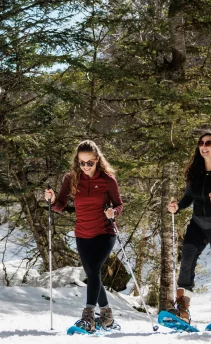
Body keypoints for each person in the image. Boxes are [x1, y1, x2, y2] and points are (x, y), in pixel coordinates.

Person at [44, 140, 123, 332]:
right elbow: (60, 205)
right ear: (77, 162)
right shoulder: (71, 179)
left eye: (90, 162)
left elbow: (119, 204)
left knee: (94, 270)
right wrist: (52, 199)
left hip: (105, 232)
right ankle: (107, 317)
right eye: (82, 162)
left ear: (97, 160)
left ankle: (88, 317)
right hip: (82, 234)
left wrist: (114, 212)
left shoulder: (107, 180)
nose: (86, 166)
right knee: (92, 274)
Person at [167, 130, 211, 329]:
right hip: (197, 223)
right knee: (187, 260)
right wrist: (177, 206)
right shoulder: (195, 171)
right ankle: (182, 308)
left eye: (208, 143)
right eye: (201, 143)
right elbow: (189, 197)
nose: (204, 146)